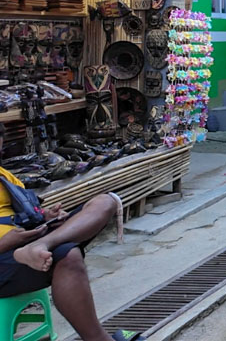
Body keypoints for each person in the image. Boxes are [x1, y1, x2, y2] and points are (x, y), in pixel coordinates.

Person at [0, 142, 139, 341]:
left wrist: (46, 216)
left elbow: (23, 210)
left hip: (27, 241)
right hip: (5, 258)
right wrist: (6, 243)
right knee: (68, 256)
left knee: (105, 202)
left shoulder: (4, 174)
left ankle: (42, 244)